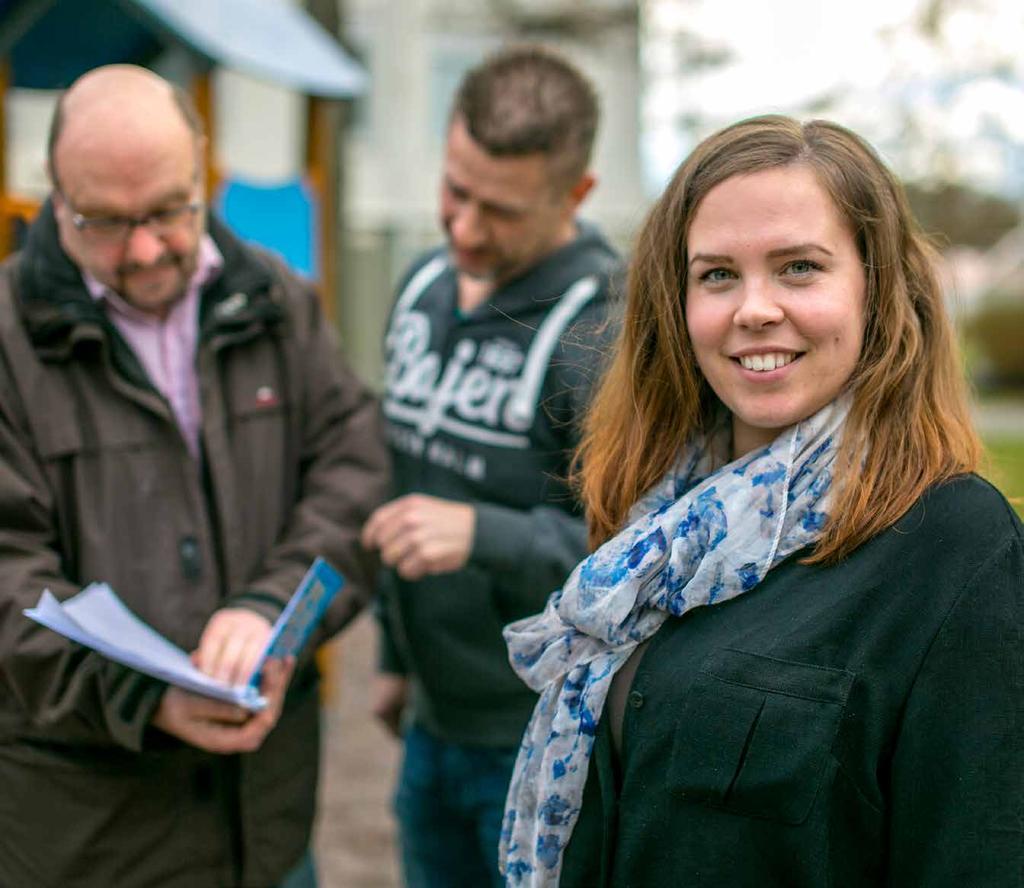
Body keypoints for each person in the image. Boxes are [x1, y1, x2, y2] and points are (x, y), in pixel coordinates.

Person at [501, 115, 1024, 887]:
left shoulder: (954, 545)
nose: (753, 309)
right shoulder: (660, 524)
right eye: (717, 275)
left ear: (877, 290)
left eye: (799, 268)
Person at [0, 66, 388, 888]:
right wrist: (146, 697)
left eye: (168, 211)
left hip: (268, 825)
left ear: (203, 167)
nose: (143, 249)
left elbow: (353, 468)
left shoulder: (278, 300)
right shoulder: (8, 342)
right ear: (53, 194)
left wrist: (272, 606)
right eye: (104, 221)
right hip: (90, 837)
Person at [360, 46, 622, 887]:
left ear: (575, 194)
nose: (465, 228)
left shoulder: (610, 335)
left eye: (500, 211)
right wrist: (395, 660)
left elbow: (645, 552)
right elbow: (407, 479)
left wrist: (485, 534)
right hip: (430, 727)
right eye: (454, 191)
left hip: (544, 738)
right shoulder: (422, 284)